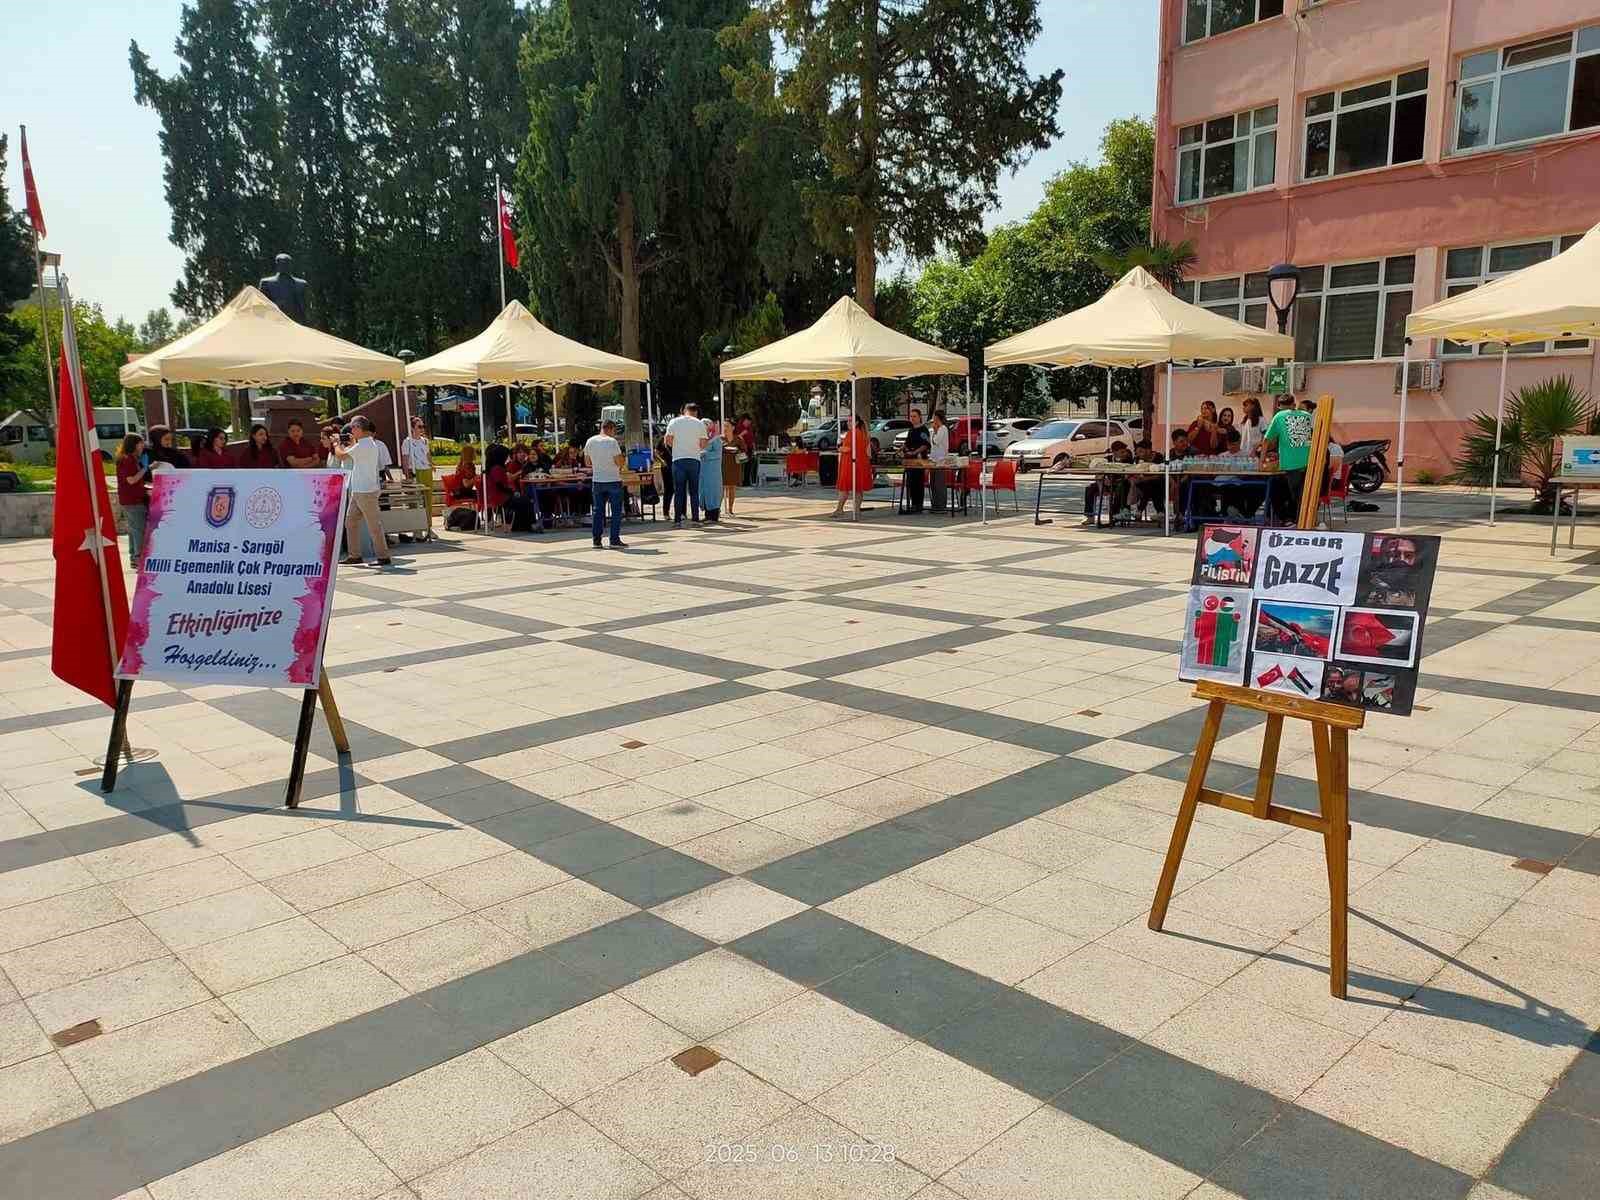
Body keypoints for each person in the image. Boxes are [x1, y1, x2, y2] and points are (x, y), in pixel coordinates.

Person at [331, 416, 393, 566]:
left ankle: (383, 556)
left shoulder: (364, 445)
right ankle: (355, 555)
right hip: (360, 490)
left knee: (373, 525)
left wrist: (336, 443)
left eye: (353, 427)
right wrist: (350, 443)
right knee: (350, 522)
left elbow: (341, 455)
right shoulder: (367, 443)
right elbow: (354, 453)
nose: (351, 430)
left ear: (359, 428)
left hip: (365, 491)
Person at [1260, 394, 1314, 523]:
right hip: (1309, 462)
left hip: (1291, 463)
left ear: (1279, 406)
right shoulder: (1307, 416)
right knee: (1303, 495)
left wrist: (1261, 461)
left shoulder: (1279, 416)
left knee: (1287, 494)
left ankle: (1293, 522)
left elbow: (1266, 440)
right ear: (1293, 404)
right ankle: (1303, 521)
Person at [584, 417, 628, 549]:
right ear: (611, 428)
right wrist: (621, 462)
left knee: (598, 511)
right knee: (615, 511)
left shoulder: (590, 441)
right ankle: (614, 539)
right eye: (614, 430)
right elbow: (619, 461)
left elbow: (587, 462)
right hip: (613, 479)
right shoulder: (612, 442)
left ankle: (596, 540)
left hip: (597, 480)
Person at [664, 402, 708, 527]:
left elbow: (668, 440)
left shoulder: (674, 422)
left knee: (679, 491)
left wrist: (677, 447)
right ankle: (695, 520)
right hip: (694, 460)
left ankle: (677, 520)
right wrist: (695, 447)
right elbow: (704, 443)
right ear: (696, 412)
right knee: (694, 491)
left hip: (678, 460)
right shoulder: (699, 423)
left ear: (684, 411)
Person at [484, 442, 538, 532]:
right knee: (526, 501)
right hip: (501, 498)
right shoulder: (497, 468)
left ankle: (520, 525)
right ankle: (531, 524)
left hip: (500, 496)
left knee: (523, 500)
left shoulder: (493, 467)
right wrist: (512, 492)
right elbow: (500, 485)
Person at [116, 434, 151, 569]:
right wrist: (144, 468)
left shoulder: (131, 459)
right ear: (134, 444)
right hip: (132, 500)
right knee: (139, 530)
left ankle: (134, 557)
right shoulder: (127, 460)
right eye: (141, 443)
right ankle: (139, 558)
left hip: (131, 498)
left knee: (133, 530)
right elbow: (131, 480)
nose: (143, 446)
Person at [1083, 440, 1134, 524]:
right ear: (1114, 452)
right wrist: (1104, 478)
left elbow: (1128, 475)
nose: (1124, 454)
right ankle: (1090, 516)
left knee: (1121, 487)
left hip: (1119, 483)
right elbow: (1098, 470)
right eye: (1122, 452)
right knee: (1089, 488)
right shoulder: (1107, 460)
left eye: (1125, 451)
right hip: (1106, 483)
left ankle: (1115, 514)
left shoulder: (1128, 460)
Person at [831, 416, 873, 519]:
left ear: (857, 422)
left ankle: (839, 509)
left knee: (844, 487)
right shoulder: (864, 433)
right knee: (858, 488)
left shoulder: (852, 433)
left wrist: (839, 448)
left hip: (850, 464)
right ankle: (857, 510)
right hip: (861, 463)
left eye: (850, 421)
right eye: (848, 421)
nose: (848, 423)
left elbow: (847, 449)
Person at [400, 416, 435, 535]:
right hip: (415, 471)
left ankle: (429, 528)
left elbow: (428, 454)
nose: (422, 429)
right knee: (415, 501)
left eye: (423, 426)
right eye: (419, 426)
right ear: (412, 428)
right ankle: (417, 529)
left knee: (428, 500)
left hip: (426, 471)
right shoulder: (407, 442)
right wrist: (407, 475)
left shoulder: (425, 440)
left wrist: (432, 465)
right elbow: (405, 459)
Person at [901, 407, 930, 513]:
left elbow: (925, 445)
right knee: (911, 482)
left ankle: (918, 505)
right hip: (910, 461)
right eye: (911, 416)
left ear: (919, 417)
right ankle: (912, 504)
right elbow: (907, 443)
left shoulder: (924, 430)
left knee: (918, 482)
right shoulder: (911, 430)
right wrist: (906, 449)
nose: (912, 418)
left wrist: (915, 452)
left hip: (920, 460)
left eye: (914, 416)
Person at [699, 418, 724, 523]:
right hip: (703, 470)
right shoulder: (702, 439)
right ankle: (707, 515)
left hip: (713, 471)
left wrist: (705, 454)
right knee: (704, 491)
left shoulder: (716, 439)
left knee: (713, 491)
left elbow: (718, 454)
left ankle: (714, 516)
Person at [927, 409, 951, 513]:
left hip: (940, 460)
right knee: (933, 483)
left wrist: (935, 430)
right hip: (933, 459)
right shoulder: (934, 430)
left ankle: (941, 505)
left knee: (939, 483)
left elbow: (936, 441)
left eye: (935, 418)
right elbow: (931, 443)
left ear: (938, 419)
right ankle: (935, 504)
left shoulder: (943, 429)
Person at [721, 419, 741, 515]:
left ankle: (730, 509)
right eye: (724, 426)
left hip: (734, 465)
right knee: (721, 488)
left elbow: (744, 451)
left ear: (733, 427)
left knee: (732, 488)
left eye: (727, 426)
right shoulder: (720, 439)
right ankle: (718, 509)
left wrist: (737, 450)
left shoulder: (738, 439)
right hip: (722, 466)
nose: (725, 428)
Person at [737, 416, 756, 486]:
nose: (749, 423)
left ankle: (747, 481)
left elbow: (752, 439)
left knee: (749, 466)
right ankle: (742, 481)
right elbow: (737, 437)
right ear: (744, 420)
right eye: (748, 422)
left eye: (750, 422)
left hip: (750, 449)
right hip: (743, 449)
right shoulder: (739, 427)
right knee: (743, 466)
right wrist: (743, 434)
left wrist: (754, 448)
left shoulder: (749, 428)